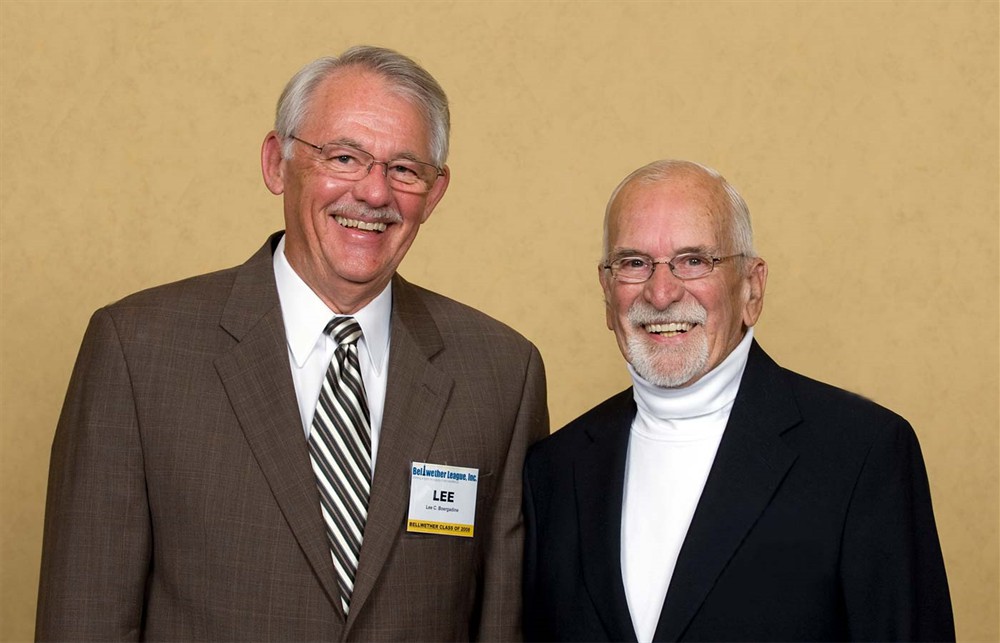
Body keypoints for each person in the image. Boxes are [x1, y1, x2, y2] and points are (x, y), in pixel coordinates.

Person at [36, 45, 548, 641]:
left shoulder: (501, 373)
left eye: (404, 169)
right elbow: (84, 619)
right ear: (277, 162)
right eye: (344, 156)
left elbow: (504, 623)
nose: (374, 194)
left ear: (434, 193)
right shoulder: (137, 351)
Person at [522, 159, 953, 642]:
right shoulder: (553, 470)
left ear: (752, 286)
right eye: (634, 263)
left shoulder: (863, 454)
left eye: (694, 260)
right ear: (607, 291)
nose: (661, 293)